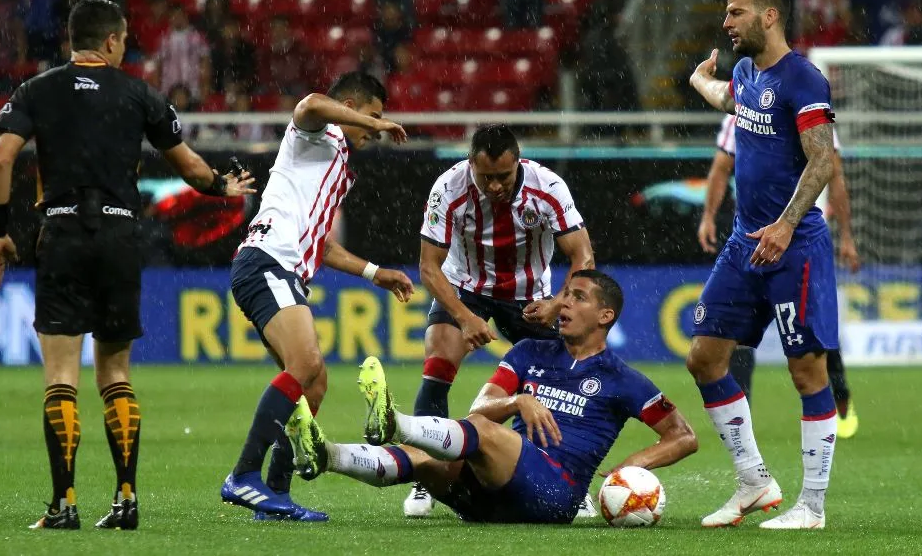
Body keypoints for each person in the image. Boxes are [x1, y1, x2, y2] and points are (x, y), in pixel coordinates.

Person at [0, 0, 255, 530]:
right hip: (118, 234)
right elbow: (192, 167)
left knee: (62, 374)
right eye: (124, 40)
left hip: (61, 231)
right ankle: (126, 498)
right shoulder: (139, 93)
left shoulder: (36, 91)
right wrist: (223, 185)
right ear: (110, 41)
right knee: (115, 372)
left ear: (72, 40)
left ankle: (63, 505)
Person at [285, 270, 699, 524]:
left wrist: (632, 464)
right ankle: (327, 456)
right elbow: (479, 410)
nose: (563, 303)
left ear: (605, 316)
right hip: (489, 496)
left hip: (554, 495)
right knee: (427, 459)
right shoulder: (527, 353)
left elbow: (683, 436)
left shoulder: (623, 379)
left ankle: (393, 423)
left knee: (482, 434)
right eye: (564, 293)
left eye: (577, 297)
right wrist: (516, 402)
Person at [220, 71, 415, 522]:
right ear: (347, 105)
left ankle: (274, 496)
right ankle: (243, 476)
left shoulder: (339, 167)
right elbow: (309, 102)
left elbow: (322, 244)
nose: (375, 127)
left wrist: (374, 272)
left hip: (283, 268)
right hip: (267, 260)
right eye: (371, 116)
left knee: (315, 383)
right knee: (304, 366)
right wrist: (376, 124)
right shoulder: (315, 132)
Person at [688, 0, 841, 529]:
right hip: (742, 245)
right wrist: (696, 81)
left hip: (794, 246)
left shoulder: (803, 80)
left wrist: (786, 224)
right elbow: (725, 98)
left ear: (769, 15)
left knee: (807, 373)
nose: (726, 22)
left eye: (736, 12)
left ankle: (812, 507)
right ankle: (754, 481)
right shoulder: (749, 71)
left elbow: (824, 158)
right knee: (704, 357)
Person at [406, 124, 596, 517]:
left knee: (562, 381)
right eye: (485, 177)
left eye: (503, 177)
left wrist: (557, 301)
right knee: (437, 366)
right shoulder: (448, 188)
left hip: (529, 296)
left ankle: (566, 478)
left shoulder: (548, 186)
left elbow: (584, 257)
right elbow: (429, 267)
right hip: (465, 285)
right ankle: (427, 475)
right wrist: (464, 316)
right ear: (470, 164)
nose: (494, 187)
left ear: (518, 161)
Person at [699, 114, 860, 438]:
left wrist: (846, 236)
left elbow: (835, 174)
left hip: (803, 242)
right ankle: (744, 415)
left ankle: (841, 397)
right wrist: (708, 217)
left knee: (816, 337)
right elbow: (720, 168)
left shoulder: (812, 116)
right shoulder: (742, 114)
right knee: (738, 334)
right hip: (753, 240)